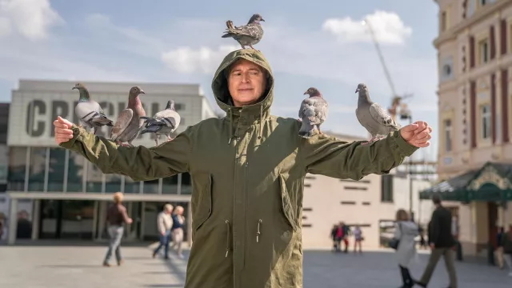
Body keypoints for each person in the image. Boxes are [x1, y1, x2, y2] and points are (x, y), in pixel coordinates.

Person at [53, 48, 432, 288]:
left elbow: (354, 160)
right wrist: (81, 139)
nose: (246, 78)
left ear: (266, 83)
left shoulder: (293, 135)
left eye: (254, 73)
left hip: (274, 276)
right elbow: (139, 162)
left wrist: (401, 142)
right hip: (209, 275)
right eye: (237, 73)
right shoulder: (201, 137)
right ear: (225, 83)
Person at [415, 194, 457, 288]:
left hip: (439, 243)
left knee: (432, 263)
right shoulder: (448, 212)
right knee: (450, 266)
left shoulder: (436, 213)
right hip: (449, 242)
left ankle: (424, 281)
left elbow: (435, 228)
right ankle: (454, 284)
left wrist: (433, 241)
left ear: (433, 202)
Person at [103, 192, 132, 267]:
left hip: (111, 227)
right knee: (114, 244)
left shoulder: (110, 208)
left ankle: (119, 259)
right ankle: (107, 260)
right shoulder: (121, 208)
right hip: (118, 227)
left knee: (116, 243)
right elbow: (125, 220)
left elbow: (107, 218)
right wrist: (129, 220)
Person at [394, 209, 419, 288]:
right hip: (411, 245)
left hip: (402, 245)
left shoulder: (400, 224)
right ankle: (409, 281)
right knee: (405, 265)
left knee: (402, 265)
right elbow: (416, 234)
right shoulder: (412, 225)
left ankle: (407, 282)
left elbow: (397, 236)